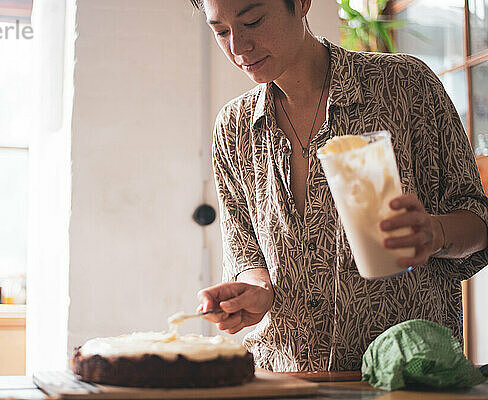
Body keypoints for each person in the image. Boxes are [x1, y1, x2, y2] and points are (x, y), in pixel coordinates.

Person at [192, 0, 488, 372]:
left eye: (253, 21)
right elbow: (247, 253)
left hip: (409, 374)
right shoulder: (233, 128)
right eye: (221, 31)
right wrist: (257, 290)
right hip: (287, 375)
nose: (237, 47)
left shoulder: (404, 87)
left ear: (301, 3)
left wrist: (436, 231)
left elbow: (479, 220)